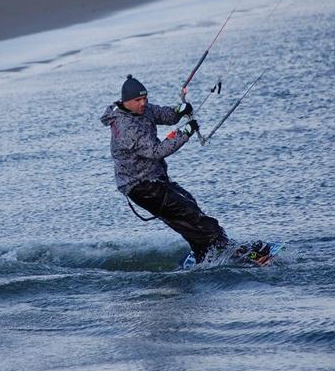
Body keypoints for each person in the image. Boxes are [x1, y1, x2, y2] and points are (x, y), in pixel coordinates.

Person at [100, 74, 268, 264]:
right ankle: (243, 254)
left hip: (154, 181)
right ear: (126, 101)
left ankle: (204, 254)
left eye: (145, 98)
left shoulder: (140, 110)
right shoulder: (126, 127)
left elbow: (162, 114)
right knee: (197, 221)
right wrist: (185, 132)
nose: (143, 103)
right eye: (138, 100)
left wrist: (179, 110)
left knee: (191, 209)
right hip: (142, 187)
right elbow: (156, 151)